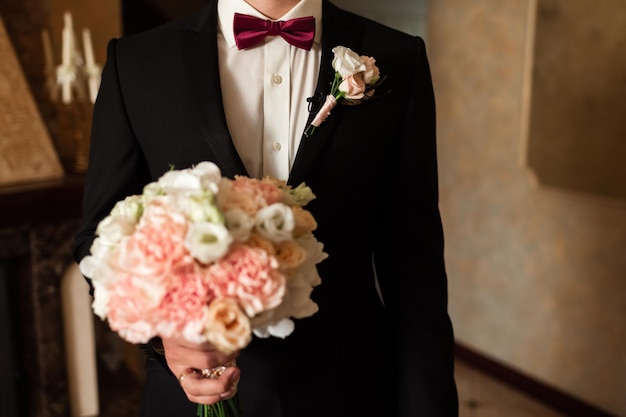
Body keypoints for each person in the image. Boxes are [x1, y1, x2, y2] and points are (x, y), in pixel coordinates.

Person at [72, 0, 459, 416]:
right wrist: (164, 335)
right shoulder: (136, 62)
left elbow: (414, 266)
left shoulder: (397, 57)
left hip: (348, 390)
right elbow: (100, 236)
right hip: (188, 399)